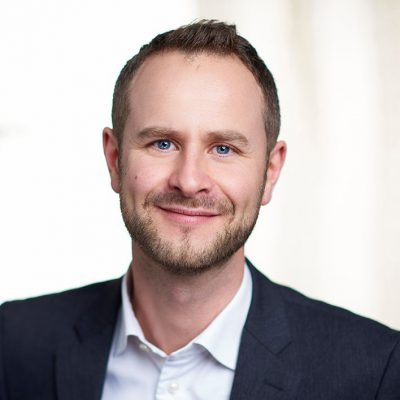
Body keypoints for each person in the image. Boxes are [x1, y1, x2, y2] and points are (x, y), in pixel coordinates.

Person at [0, 20, 399, 400]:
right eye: (162, 143)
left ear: (271, 170)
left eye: (223, 148)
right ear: (115, 159)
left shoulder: (375, 370)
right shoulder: (14, 344)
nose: (189, 181)